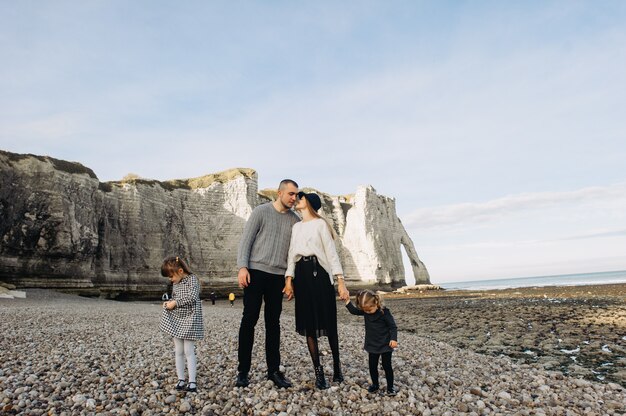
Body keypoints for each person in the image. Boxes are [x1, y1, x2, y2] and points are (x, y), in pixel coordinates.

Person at [235, 179, 300, 388]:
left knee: (273, 324)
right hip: (255, 273)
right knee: (249, 321)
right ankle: (242, 372)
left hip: (278, 277)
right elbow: (246, 240)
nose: (294, 198)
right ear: (279, 193)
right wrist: (242, 267)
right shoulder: (260, 212)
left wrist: (290, 280)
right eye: (291, 194)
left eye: (296, 195)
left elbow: (293, 254)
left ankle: (273, 371)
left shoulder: (295, 220)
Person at [283, 191, 350, 389]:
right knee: (309, 324)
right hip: (302, 277)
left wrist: (341, 281)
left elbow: (331, 254)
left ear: (309, 203)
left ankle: (337, 367)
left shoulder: (321, 224)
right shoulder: (296, 227)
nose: (296, 200)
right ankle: (318, 371)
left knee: (329, 322)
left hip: (320, 275)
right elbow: (291, 254)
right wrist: (289, 280)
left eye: (300, 198)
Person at [159, 256, 204, 393]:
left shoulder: (192, 280)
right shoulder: (176, 282)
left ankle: (192, 381)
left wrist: (176, 303)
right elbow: (176, 297)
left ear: (180, 271)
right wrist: (169, 303)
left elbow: (192, 297)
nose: (170, 279)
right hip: (177, 318)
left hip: (190, 319)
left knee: (189, 350)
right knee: (178, 350)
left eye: (171, 276)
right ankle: (181, 379)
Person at [345, 289, 398, 396]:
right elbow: (354, 311)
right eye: (365, 310)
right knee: (372, 366)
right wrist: (347, 301)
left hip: (385, 344)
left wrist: (393, 339)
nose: (367, 312)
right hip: (372, 344)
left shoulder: (384, 312)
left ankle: (391, 387)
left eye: (370, 310)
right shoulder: (366, 310)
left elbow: (393, 327)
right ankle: (375, 384)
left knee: (387, 365)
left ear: (376, 303)